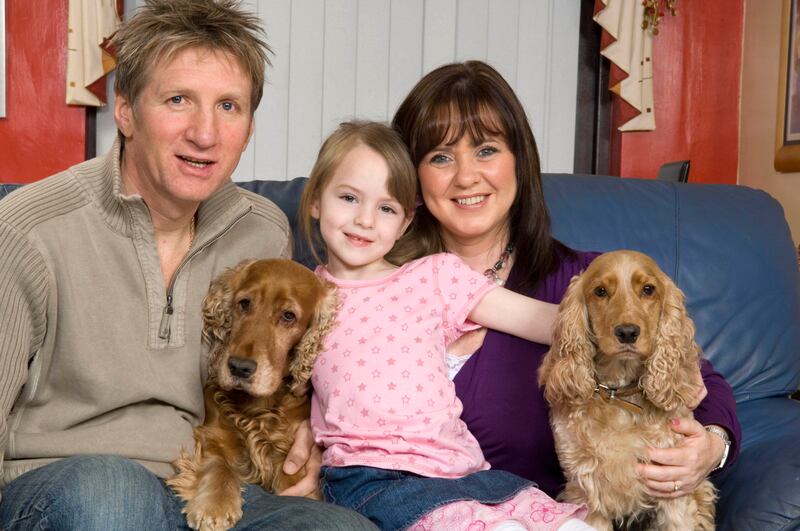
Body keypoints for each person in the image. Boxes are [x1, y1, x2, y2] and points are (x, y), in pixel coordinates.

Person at [0, 1, 375, 529]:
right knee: (112, 493)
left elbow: (280, 363)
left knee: (338, 527)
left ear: (248, 127)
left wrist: (314, 426)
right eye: (179, 100)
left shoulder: (262, 229)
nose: (205, 133)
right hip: (65, 483)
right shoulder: (26, 229)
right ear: (126, 109)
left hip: (207, 481)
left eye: (229, 106)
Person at [389, 60, 741, 500]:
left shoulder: (593, 285)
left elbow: (701, 383)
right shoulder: (381, 285)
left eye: (486, 150)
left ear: (520, 160)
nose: (465, 176)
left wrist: (710, 445)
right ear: (412, 175)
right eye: (440, 157)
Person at [299, 120, 595, 531]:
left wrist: (622, 314)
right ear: (315, 200)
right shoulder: (304, 296)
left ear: (405, 222)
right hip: (370, 476)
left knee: (573, 527)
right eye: (348, 198)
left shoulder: (434, 277)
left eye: (386, 208)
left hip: (464, 470)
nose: (365, 220)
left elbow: (544, 321)